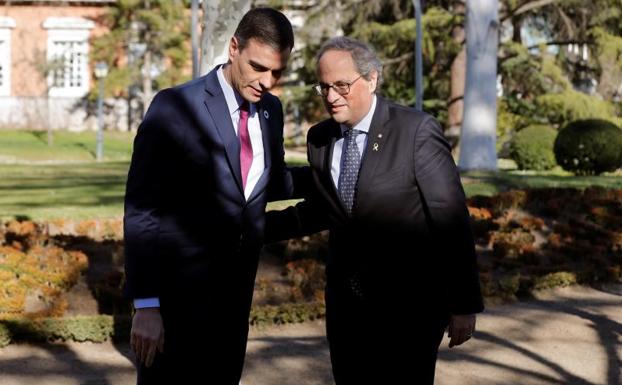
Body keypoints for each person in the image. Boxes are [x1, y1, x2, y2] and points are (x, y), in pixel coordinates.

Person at [266, 36, 484, 385]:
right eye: (323, 87)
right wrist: (251, 228)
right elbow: (326, 209)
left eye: (341, 85)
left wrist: (463, 303)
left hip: (408, 308)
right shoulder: (319, 138)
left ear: (371, 79)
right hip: (347, 309)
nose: (331, 97)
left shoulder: (415, 131)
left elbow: (451, 219)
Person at [123, 8, 300, 385]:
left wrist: (335, 177)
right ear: (234, 47)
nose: (267, 81)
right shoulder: (175, 106)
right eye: (258, 66)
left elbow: (270, 184)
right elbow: (142, 211)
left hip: (233, 306)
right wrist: (147, 304)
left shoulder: (271, 110)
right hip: (174, 307)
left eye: (277, 72)